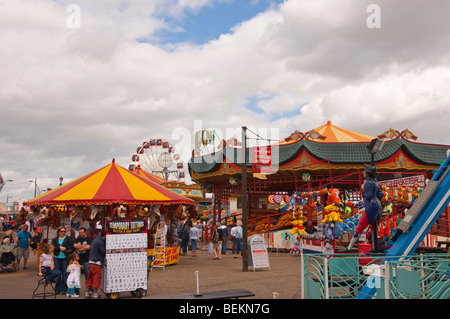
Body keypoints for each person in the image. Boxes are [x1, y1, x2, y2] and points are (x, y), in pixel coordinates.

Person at [341, 164, 384, 253]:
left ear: (368, 173)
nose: (363, 172)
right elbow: (381, 194)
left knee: (360, 226)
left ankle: (349, 248)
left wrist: (363, 189)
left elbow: (369, 195)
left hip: (370, 206)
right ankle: (374, 247)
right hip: (378, 206)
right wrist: (376, 201)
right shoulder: (375, 183)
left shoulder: (367, 182)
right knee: (374, 227)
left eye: (364, 171)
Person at [51, 226, 74, 294]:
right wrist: (59, 247)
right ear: (58, 232)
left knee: (64, 274)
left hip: (64, 258)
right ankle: (57, 289)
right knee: (58, 273)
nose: (63, 233)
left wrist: (65, 248)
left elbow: (71, 246)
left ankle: (64, 288)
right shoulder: (55, 239)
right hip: (57, 257)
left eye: (64, 231)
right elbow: (53, 247)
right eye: (62, 231)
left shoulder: (68, 238)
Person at [85, 230, 106, 299]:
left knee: (90, 278)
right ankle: (95, 294)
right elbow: (103, 252)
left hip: (91, 261)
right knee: (96, 279)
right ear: (105, 236)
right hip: (96, 262)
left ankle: (87, 294)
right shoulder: (100, 242)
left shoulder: (95, 240)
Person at [73, 227, 93, 295]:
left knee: (88, 276)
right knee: (76, 276)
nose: (80, 234)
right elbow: (75, 245)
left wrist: (80, 247)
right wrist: (83, 248)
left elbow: (88, 247)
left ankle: (90, 290)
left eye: (82, 233)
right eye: (79, 233)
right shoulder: (77, 239)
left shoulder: (89, 239)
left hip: (86, 260)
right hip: (78, 261)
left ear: (85, 232)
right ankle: (76, 291)